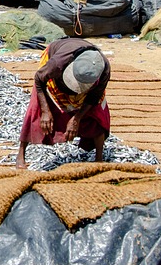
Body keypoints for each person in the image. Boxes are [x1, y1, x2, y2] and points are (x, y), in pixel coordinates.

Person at [15, 38, 111, 169]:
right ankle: (20, 154)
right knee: (35, 109)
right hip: (55, 67)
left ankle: (99, 158)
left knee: (97, 113)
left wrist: (77, 118)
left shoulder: (103, 68)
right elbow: (39, 80)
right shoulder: (57, 64)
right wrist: (45, 111)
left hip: (90, 88)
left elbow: (95, 97)